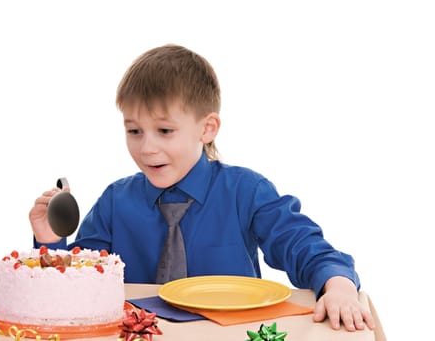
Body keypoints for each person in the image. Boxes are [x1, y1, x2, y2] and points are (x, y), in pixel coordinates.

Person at [29, 44, 375, 332]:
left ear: (207, 128)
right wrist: (49, 240)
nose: (146, 148)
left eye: (164, 131)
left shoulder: (246, 190)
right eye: (134, 131)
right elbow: (80, 282)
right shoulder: (116, 201)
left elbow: (303, 245)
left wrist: (339, 286)